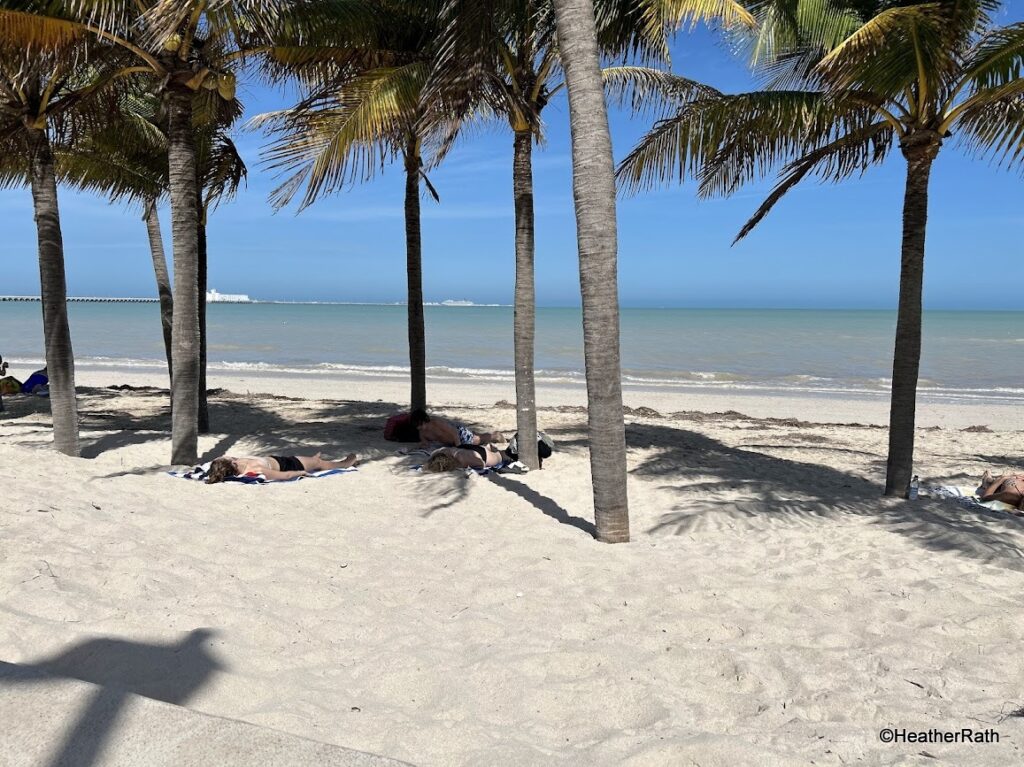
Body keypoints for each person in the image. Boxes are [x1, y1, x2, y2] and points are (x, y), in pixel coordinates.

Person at [206, 452, 358, 484]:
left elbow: (218, 462)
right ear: (232, 465)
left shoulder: (236, 461)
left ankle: (313, 458)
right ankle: (346, 463)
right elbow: (284, 476)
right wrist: (301, 472)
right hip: (291, 464)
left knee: (313, 459)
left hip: (277, 458)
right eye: (227, 459)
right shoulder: (255, 469)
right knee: (319, 464)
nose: (228, 456)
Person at [410, 409, 504, 448]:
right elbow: (425, 444)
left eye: (420, 424)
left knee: (478, 440)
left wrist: (459, 447)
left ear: (424, 420)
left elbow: (454, 432)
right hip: (450, 442)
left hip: (459, 434)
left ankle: (496, 435)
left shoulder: (436, 423)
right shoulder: (422, 432)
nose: (419, 428)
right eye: (417, 426)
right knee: (477, 437)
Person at [422, 443, 510, 472]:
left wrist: (463, 466)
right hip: (467, 448)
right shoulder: (442, 451)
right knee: (487, 449)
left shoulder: (461, 459)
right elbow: (427, 463)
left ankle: (489, 448)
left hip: (481, 455)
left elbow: (481, 464)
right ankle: (488, 446)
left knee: (501, 456)